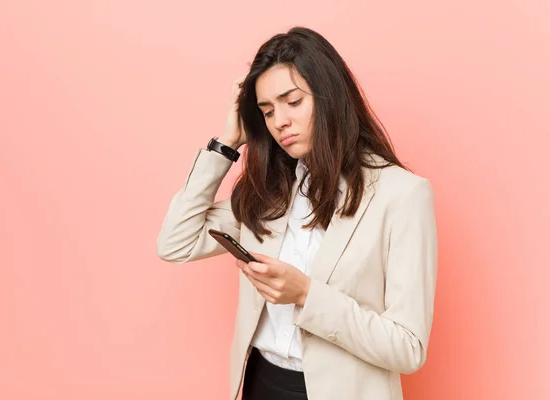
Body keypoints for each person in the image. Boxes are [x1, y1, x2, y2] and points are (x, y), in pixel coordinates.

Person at [157, 26, 438, 400]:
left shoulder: (401, 195)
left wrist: (306, 294)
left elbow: (408, 347)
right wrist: (227, 143)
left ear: (329, 97)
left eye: (292, 101)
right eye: (267, 111)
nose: (279, 122)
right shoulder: (269, 193)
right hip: (261, 383)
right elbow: (176, 242)